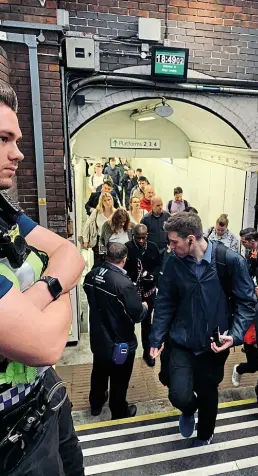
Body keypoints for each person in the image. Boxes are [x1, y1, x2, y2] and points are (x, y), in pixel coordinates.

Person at [0, 82, 85, 474]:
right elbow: (47, 343)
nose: (17, 153)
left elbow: (70, 252)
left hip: (42, 398)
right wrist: (58, 282)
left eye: (16, 139)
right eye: (3, 139)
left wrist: (38, 295)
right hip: (11, 443)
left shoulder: (4, 212)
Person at [150, 213, 256, 447]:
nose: (170, 246)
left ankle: (204, 435)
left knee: (208, 392)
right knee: (178, 394)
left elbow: (247, 302)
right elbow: (165, 300)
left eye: (173, 241)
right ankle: (188, 409)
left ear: (190, 239)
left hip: (213, 346)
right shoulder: (173, 262)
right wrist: (156, 338)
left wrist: (235, 335)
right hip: (181, 342)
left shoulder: (229, 261)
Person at [83, 242, 148, 420]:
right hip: (121, 341)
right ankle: (119, 410)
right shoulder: (124, 285)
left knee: (99, 371)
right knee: (120, 379)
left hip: (99, 337)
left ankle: (96, 404)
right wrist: (144, 305)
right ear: (124, 259)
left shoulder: (92, 275)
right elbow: (137, 315)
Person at [125, 224, 161, 367]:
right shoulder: (127, 248)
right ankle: (128, 353)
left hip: (148, 291)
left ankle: (147, 353)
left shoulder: (152, 247)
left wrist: (153, 276)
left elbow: (159, 265)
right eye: (138, 238)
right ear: (133, 235)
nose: (141, 241)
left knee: (147, 324)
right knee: (129, 323)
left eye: (143, 237)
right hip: (132, 292)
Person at [82, 191, 116, 266]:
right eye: (105, 200)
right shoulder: (97, 212)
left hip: (113, 241)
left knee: (111, 263)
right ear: (102, 202)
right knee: (99, 263)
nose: (107, 202)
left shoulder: (116, 212)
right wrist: (85, 240)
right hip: (100, 241)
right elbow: (87, 225)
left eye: (109, 199)